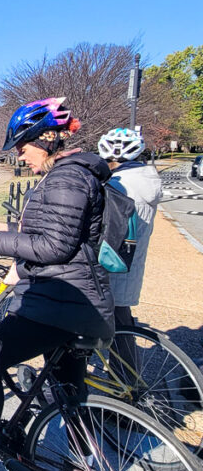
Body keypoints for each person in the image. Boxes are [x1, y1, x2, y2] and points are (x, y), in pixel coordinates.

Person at [0, 97, 115, 470]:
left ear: (49, 138)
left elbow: (53, 246)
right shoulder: (71, 174)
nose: (19, 155)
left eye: (23, 145)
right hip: (75, 302)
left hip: (59, 303)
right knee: (69, 391)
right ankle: (91, 469)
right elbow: (51, 232)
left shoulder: (67, 176)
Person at [98, 127, 162, 357]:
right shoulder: (143, 179)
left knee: (117, 326)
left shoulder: (120, 185)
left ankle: (126, 386)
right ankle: (126, 383)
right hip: (129, 262)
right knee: (121, 323)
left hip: (115, 262)